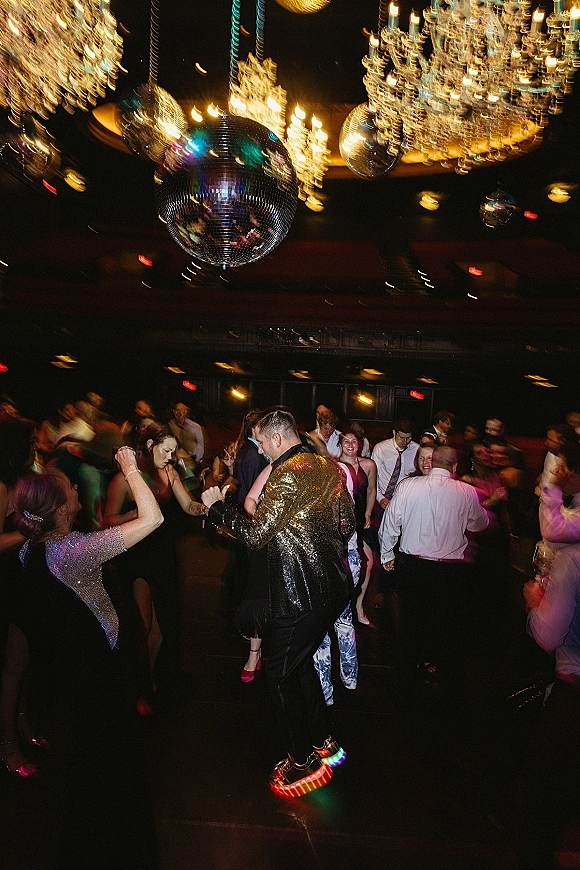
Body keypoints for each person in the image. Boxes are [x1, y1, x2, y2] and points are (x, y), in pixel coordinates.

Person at [12, 448, 162, 868]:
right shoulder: (74, 551)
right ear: (61, 508)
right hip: (99, 674)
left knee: (94, 760)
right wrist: (132, 468)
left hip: (75, 673)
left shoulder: (32, 551)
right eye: (69, 488)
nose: (77, 488)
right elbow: (152, 520)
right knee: (113, 762)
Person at [202, 409, 355, 797]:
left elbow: (255, 535)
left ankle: (302, 762)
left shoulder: (289, 473)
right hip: (330, 589)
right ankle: (323, 741)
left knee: (279, 673)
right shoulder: (330, 467)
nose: (262, 451)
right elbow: (347, 523)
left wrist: (216, 508)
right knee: (298, 665)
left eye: (261, 442)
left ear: (274, 439)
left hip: (300, 593)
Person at [103, 424, 206, 705]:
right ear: (149, 445)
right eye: (167, 450)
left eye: (174, 451)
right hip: (137, 556)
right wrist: (136, 514)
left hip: (162, 552)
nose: (172, 456)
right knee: (144, 626)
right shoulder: (127, 477)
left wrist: (210, 506)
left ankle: (151, 680)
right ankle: (139, 686)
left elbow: (188, 505)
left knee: (164, 627)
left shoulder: (169, 471)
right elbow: (108, 520)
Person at [379, 446, 489, 701]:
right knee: (448, 627)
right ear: (454, 467)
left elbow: (390, 522)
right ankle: (447, 686)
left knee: (409, 624)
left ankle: (405, 682)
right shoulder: (466, 492)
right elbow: (479, 524)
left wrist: (387, 554)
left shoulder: (408, 487)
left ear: (434, 462)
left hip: (414, 567)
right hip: (450, 571)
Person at [0, 416, 39, 778]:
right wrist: (30, 534)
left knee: (25, 660)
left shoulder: (21, 480)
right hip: (7, 583)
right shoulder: (1, 485)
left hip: (24, 579)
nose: (35, 448)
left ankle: (22, 724)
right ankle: (8, 742)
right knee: (14, 665)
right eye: (29, 442)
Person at [334, 430, 377, 625]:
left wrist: (368, 513)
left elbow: (371, 490)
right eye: (346, 442)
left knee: (367, 563)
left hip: (361, 519)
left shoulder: (368, 465)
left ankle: (359, 605)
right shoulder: (333, 465)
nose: (350, 445)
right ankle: (338, 608)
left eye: (354, 442)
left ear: (359, 444)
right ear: (340, 444)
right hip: (341, 520)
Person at [371, 418, 418, 513]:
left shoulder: (417, 449)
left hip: (405, 500)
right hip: (383, 498)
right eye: (401, 438)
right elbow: (373, 476)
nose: (405, 442)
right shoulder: (381, 448)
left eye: (408, 438)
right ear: (394, 433)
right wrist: (380, 498)